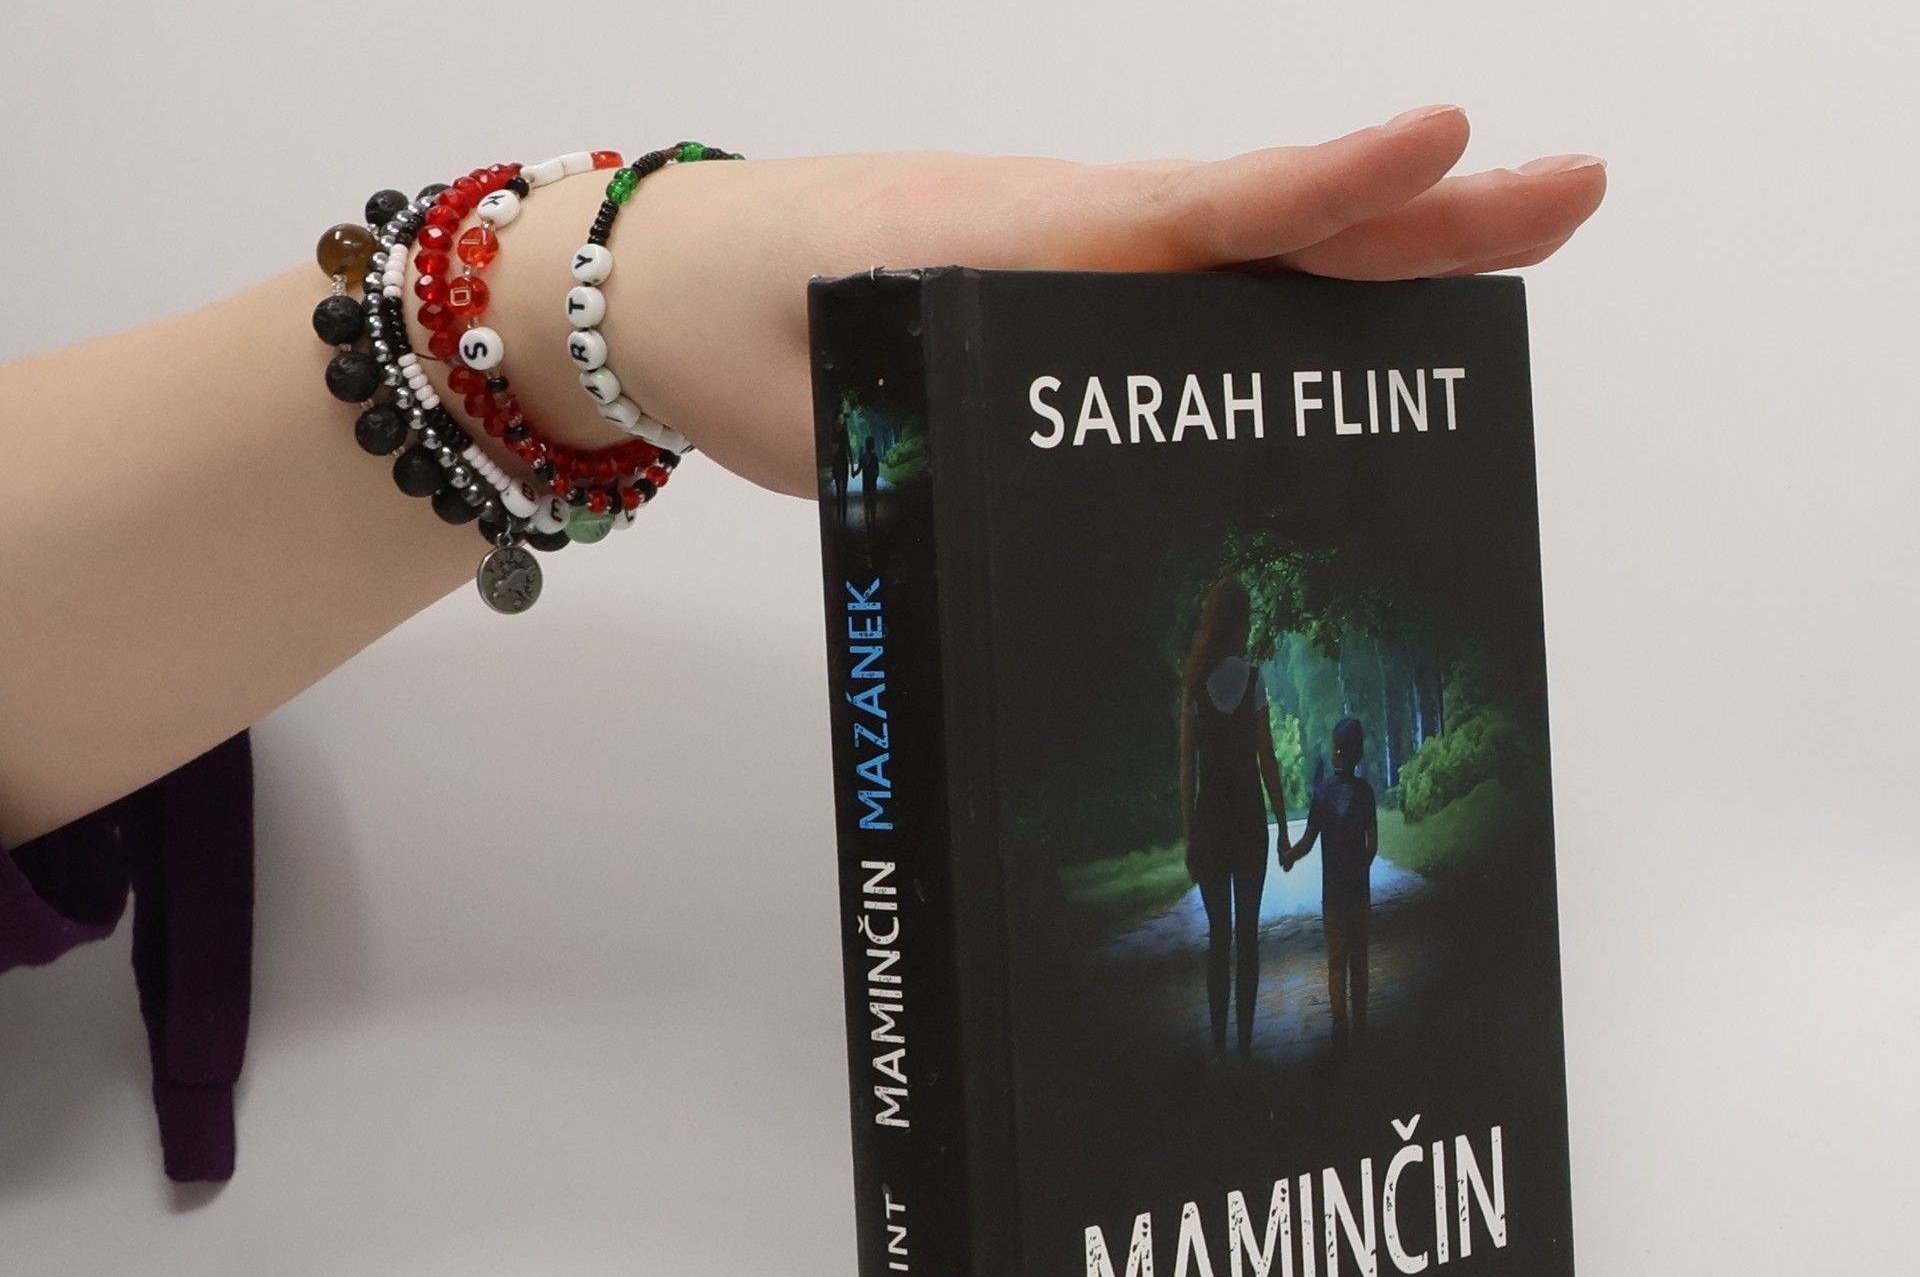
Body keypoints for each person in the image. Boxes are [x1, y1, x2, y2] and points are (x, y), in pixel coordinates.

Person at [0, 113, 1605, 1177]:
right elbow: (1216, 749)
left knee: (1250, 945)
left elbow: (1209, 745)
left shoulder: (1210, 684)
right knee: (1272, 943)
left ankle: (1245, 1032)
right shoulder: (1221, 693)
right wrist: (588, 304)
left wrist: (606, 301)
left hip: (1226, 827)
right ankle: (1263, 1033)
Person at [1180, 578, 1291, 1064]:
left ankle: (1219, 1045)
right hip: (1247, 818)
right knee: (1247, 935)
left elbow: (1187, 768)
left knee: (1218, 936)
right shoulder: (1254, 680)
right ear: (1238, 622)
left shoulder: (1194, 686)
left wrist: (1189, 834)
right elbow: (1267, 757)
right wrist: (1282, 824)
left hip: (1210, 819)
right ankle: (1245, 1046)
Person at [1282, 714, 1378, 1049]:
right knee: (1359, 959)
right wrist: (1360, 868)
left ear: (1337, 751)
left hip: (1333, 894)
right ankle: (1361, 1022)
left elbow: (1309, 841)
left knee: (1336, 960)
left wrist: (1290, 856)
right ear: (1359, 754)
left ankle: (1340, 1024)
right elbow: (1372, 845)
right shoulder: (1366, 794)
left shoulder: (1322, 794)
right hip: (1359, 893)